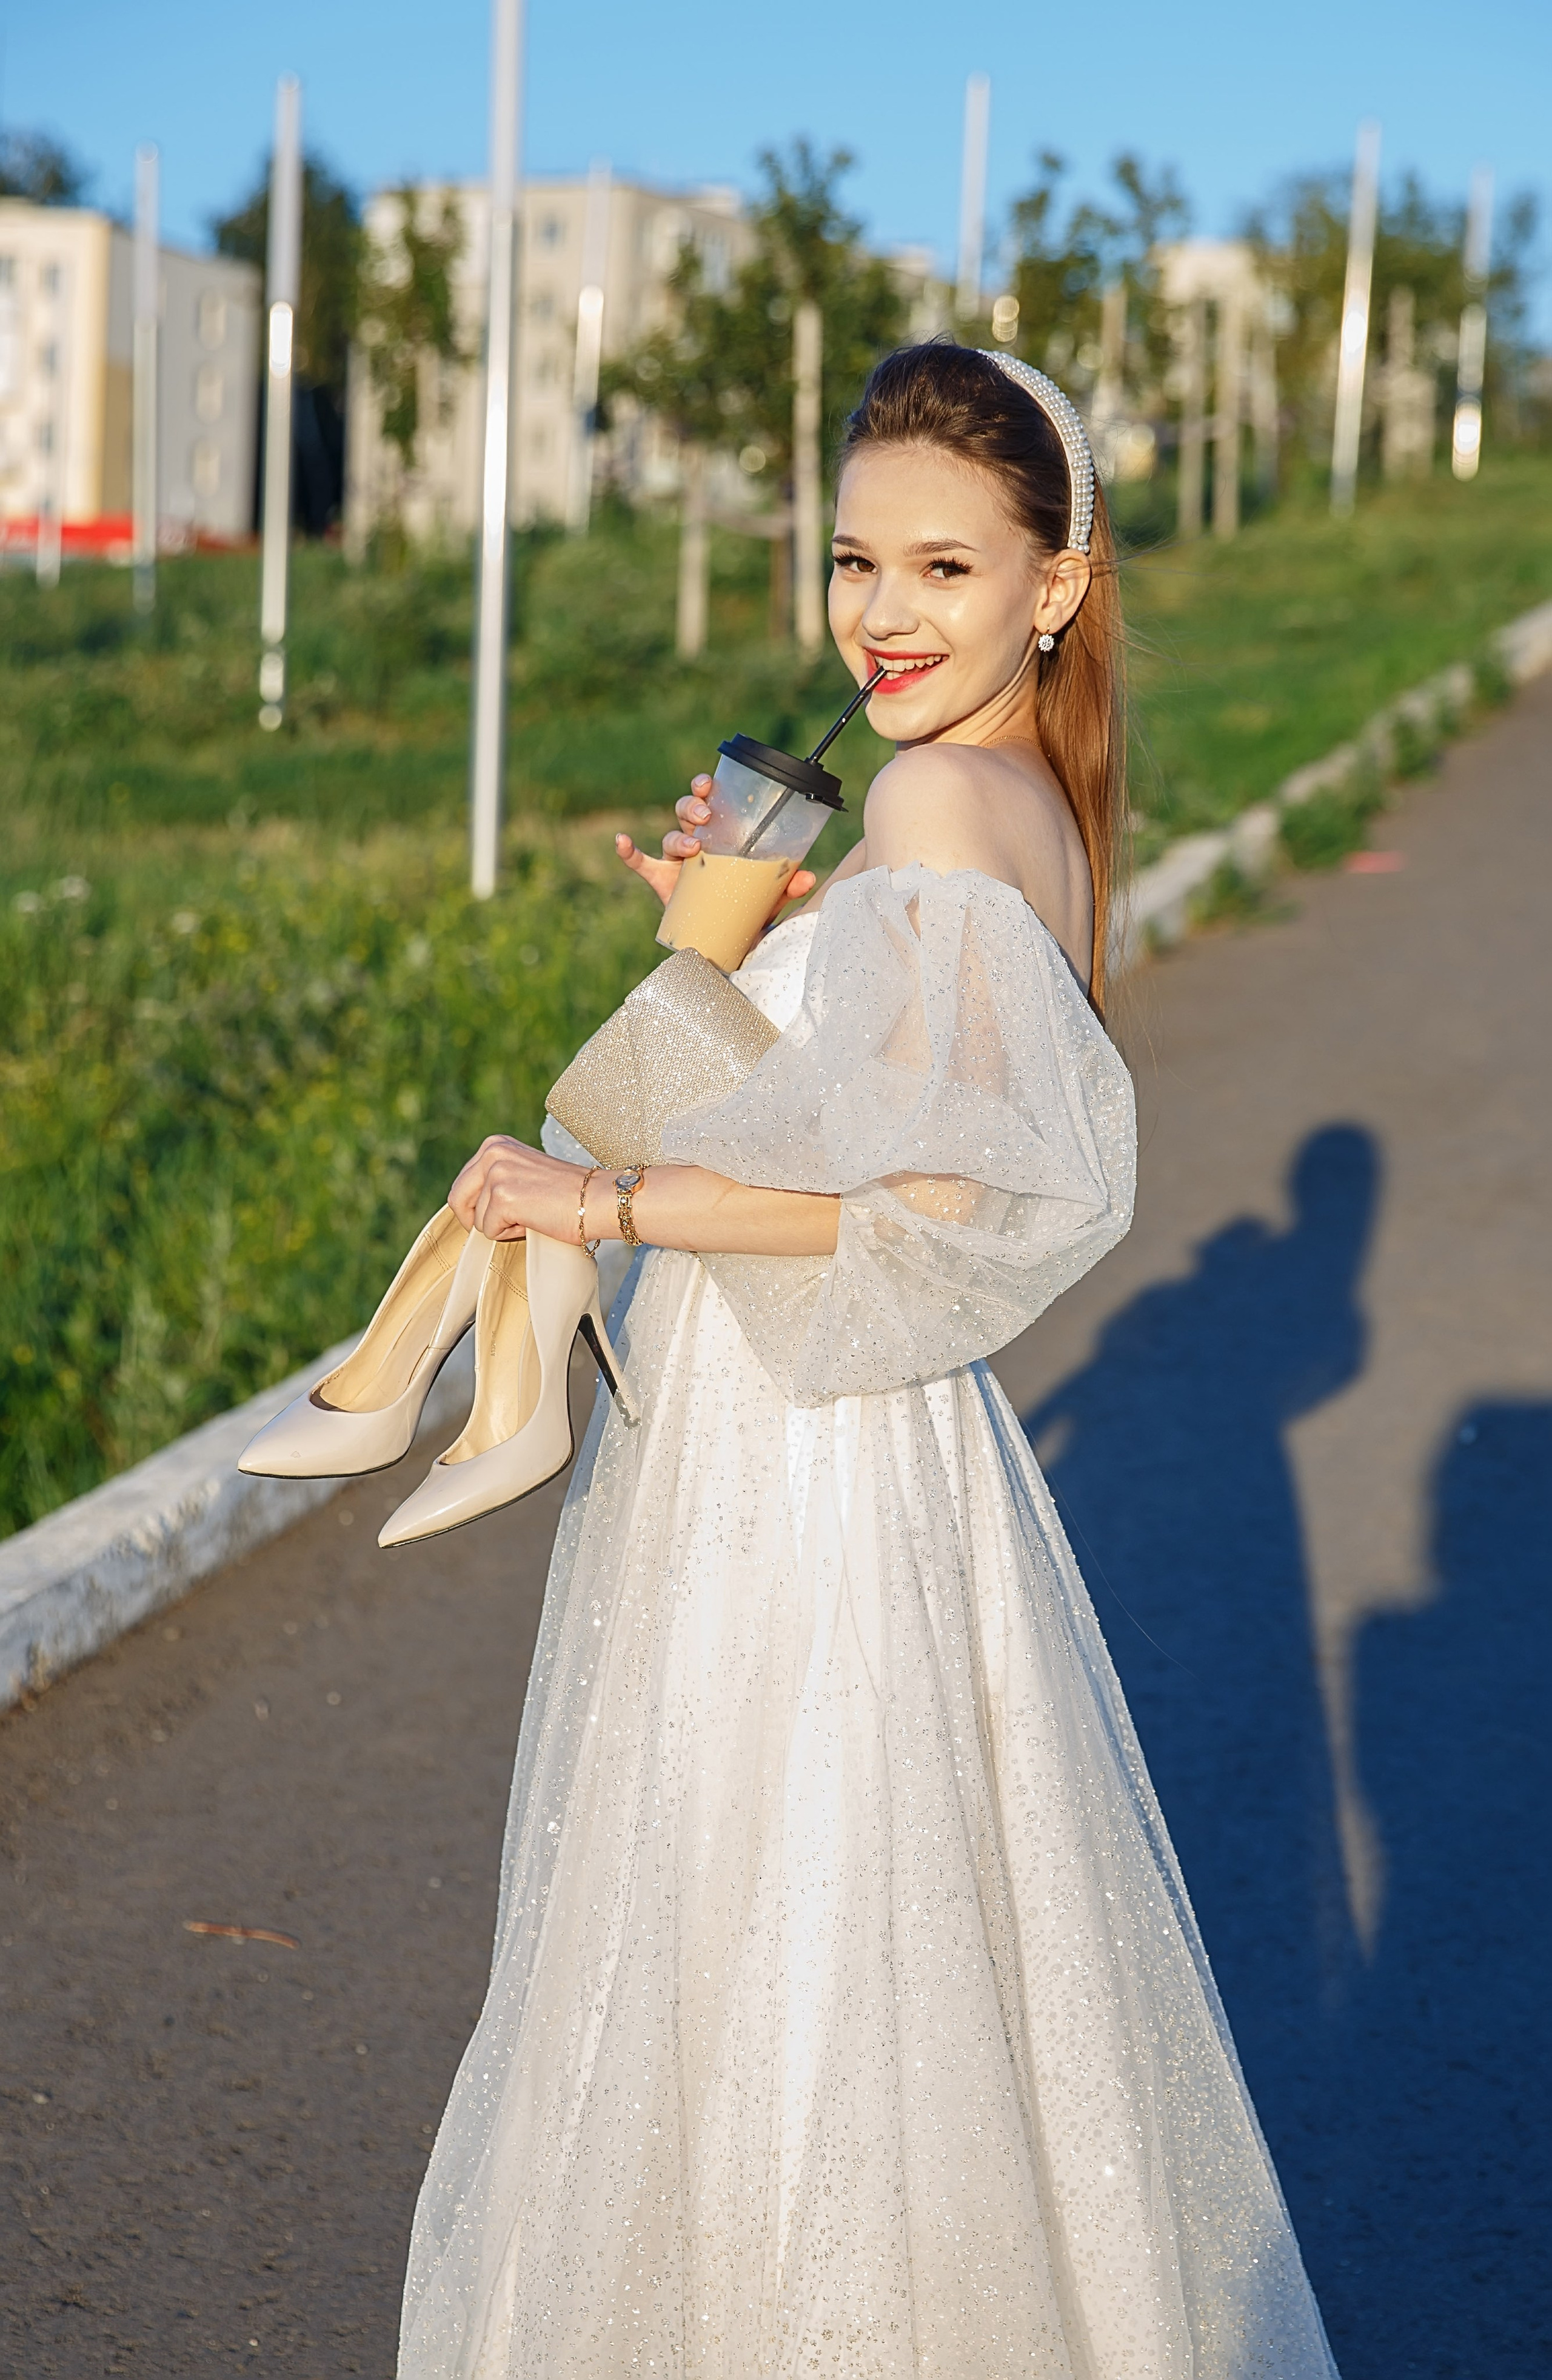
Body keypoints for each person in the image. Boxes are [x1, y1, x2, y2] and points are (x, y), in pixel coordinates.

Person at [396, 343, 1340, 2378]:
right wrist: (734, 947)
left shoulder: (930, 796)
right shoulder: (1023, 804)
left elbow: (929, 1205)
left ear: (1056, 585)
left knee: (769, 1937)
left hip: (800, 1451)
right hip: (865, 1437)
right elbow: (834, 1139)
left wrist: (597, 1205)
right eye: (854, 562)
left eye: (944, 567)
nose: (883, 616)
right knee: (867, 1939)